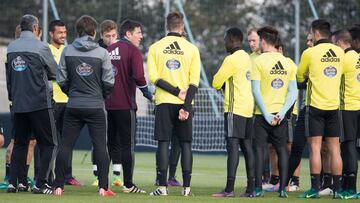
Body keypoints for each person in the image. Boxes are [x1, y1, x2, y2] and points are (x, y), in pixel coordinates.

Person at [53, 15, 115, 196]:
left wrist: (71, 94)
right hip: (95, 106)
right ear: (94, 32)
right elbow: (109, 82)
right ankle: (103, 187)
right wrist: (100, 96)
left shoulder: (67, 51)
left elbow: (61, 80)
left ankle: (58, 186)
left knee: (65, 146)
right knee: (101, 146)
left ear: (77, 31)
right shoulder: (102, 53)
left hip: (73, 105)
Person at [147, 11, 201, 196]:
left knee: (163, 143)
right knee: (185, 144)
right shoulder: (192, 49)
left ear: (166, 26)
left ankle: (162, 188)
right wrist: (185, 105)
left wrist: (175, 92)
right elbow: (194, 82)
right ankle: (186, 190)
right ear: (182, 27)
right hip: (185, 104)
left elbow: (154, 78)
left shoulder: (155, 47)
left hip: (163, 102)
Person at [5, 14, 58, 194]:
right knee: (49, 143)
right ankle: (40, 184)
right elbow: (54, 72)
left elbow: (10, 76)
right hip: (39, 103)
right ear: (35, 28)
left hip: (18, 103)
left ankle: (14, 183)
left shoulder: (11, 47)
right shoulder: (41, 46)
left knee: (20, 143)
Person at [297, 19, 344, 199]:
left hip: (315, 107)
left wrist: (310, 75)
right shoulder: (340, 52)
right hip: (334, 107)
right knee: (334, 149)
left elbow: (300, 77)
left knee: (315, 148)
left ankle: (315, 189)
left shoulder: (309, 52)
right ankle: (337, 190)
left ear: (316, 33)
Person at [105, 19, 152, 194]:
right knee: (128, 145)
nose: (141, 36)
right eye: (138, 33)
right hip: (125, 106)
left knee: (110, 145)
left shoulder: (108, 50)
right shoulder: (133, 51)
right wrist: (149, 95)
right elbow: (139, 77)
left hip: (108, 106)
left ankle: (103, 185)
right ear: (128, 34)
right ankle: (129, 185)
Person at [251, 26, 298, 198]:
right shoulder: (289, 62)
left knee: (259, 150)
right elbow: (293, 92)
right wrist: (282, 113)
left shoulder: (258, 61)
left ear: (263, 41)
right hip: (280, 116)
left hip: (262, 116)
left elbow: (255, 91)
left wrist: (266, 114)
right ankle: (283, 189)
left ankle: (257, 189)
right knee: (282, 150)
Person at [211, 27, 255, 198]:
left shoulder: (231, 59)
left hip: (234, 109)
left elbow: (215, 82)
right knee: (248, 148)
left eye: (225, 40)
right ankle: (251, 189)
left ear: (231, 40)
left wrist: (223, 85)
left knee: (233, 149)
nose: (224, 43)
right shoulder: (246, 57)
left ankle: (229, 189)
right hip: (248, 109)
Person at [48, 19, 81, 187]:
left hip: (69, 101)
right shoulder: (46, 50)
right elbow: (52, 73)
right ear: (51, 34)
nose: (63, 35)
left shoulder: (68, 51)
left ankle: (67, 175)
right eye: (59, 33)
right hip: (53, 102)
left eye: (65, 33)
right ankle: (49, 175)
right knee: (50, 141)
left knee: (67, 142)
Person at [91, 19, 121, 187]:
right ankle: (97, 176)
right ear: (101, 36)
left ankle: (117, 176)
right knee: (99, 141)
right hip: (99, 102)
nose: (111, 39)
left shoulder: (122, 50)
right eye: (108, 36)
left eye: (114, 35)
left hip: (117, 103)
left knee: (116, 140)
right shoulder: (96, 50)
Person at [333, 28, 360, 199]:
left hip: (347, 108)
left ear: (341, 43)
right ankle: (351, 186)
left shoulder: (343, 59)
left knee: (348, 146)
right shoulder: (358, 56)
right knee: (354, 148)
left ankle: (349, 188)